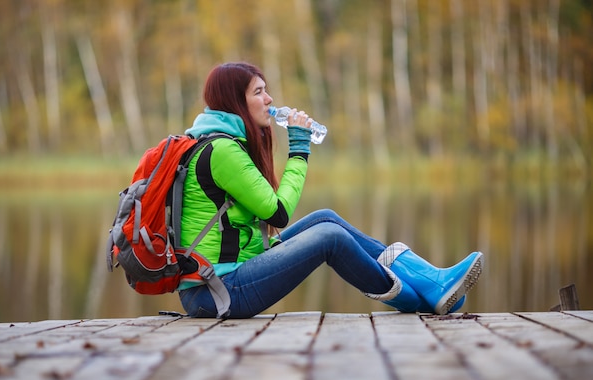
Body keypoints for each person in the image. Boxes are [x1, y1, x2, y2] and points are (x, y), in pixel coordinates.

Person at [177, 62, 483, 319]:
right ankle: (420, 301)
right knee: (330, 238)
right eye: (258, 92)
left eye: (266, 90)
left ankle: (431, 282)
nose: (270, 99)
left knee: (326, 218)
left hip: (221, 281)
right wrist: (299, 147)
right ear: (235, 102)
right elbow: (278, 213)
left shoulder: (219, 143)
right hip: (217, 293)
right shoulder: (222, 150)